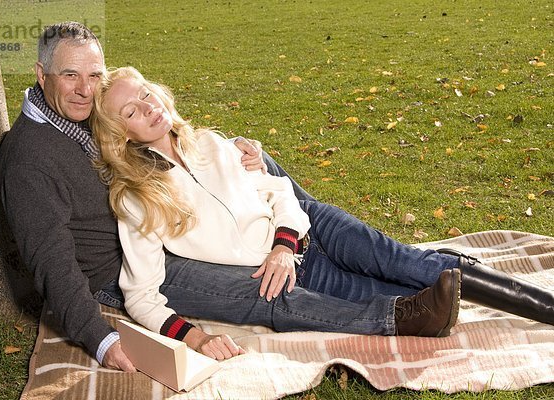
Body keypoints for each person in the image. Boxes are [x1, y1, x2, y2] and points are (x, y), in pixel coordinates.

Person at [90, 66, 554, 360]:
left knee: (402, 260)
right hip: (301, 276)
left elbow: (280, 193)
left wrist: (282, 245)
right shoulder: (137, 197)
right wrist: (193, 338)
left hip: (310, 235)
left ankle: (544, 306)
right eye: (131, 111)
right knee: (414, 294)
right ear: (121, 134)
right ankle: (439, 301)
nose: (148, 110)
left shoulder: (211, 142)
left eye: (146, 95)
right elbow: (141, 292)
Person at [0, 21, 302, 370]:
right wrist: (101, 339)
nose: (84, 89)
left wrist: (232, 151)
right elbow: (52, 263)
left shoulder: (79, 111)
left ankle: (311, 228)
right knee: (264, 290)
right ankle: (348, 285)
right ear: (41, 74)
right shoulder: (28, 160)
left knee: (266, 175)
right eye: (69, 75)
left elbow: (149, 129)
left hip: (156, 218)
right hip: (124, 267)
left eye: (94, 75)